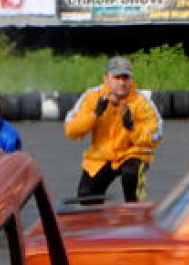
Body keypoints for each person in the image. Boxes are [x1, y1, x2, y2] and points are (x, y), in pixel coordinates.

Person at [63, 57, 162, 203]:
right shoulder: (92, 97)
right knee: (86, 194)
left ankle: (134, 213)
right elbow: (71, 130)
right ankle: (99, 223)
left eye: (125, 78)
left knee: (130, 176)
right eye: (117, 78)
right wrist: (94, 115)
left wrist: (132, 128)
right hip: (101, 156)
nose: (122, 83)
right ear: (106, 78)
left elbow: (156, 136)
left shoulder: (141, 101)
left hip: (133, 153)